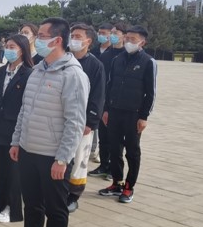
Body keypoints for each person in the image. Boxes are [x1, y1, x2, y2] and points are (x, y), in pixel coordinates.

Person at [3, 17, 89, 227]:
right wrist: (17, 141)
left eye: (41, 35)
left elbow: (75, 122)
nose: (36, 40)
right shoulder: (38, 70)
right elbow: (25, 110)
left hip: (53, 156)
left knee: (56, 209)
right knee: (32, 205)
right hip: (28, 149)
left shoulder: (73, 75)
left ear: (57, 40)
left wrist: (62, 159)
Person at [99, 26, 157, 204]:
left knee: (132, 151)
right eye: (127, 38)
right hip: (114, 112)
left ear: (142, 42)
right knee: (114, 149)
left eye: (133, 39)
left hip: (134, 115)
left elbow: (151, 93)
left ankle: (129, 186)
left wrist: (144, 117)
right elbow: (109, 86)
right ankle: (117, 182)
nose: (129, 42)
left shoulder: (148, 62)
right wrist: (106, 109)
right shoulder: (117, 59)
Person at [0, 34, 33, 223]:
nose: (8, 50)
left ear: (22, 49)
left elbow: (27, 105)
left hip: (15, 127)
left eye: (13, 47)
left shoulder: (28, 73)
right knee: (2, 169)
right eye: (7, 46)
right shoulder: (2, 70)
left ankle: (12, 209)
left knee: (14, 171)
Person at [66, 24, 106, 213]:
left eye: (77, 36)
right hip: (63, 119)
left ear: (88, 41)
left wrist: (90, 122)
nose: (73, 39)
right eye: (72, 35)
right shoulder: (64, 60)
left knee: (79, 159)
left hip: (83, 123)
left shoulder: (95, 65)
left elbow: (98, 96)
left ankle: (73, 195)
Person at [89, 23, 125, 180]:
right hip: (103, 100)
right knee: (103, 136)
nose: (112, 35)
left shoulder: (124, 56)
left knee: (115, 138)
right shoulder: (105, 55)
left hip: (117, 102)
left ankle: (113, 169)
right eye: (112, 32)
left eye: (116, 33)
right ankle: (104, 165)